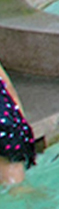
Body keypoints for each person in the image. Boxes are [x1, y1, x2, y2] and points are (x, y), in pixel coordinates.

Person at [0, 61, 37, 189]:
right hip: (10, 129)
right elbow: (10, 89)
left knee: (15, 187)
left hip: (6, 132)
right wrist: (22, 124)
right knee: (16, 186)